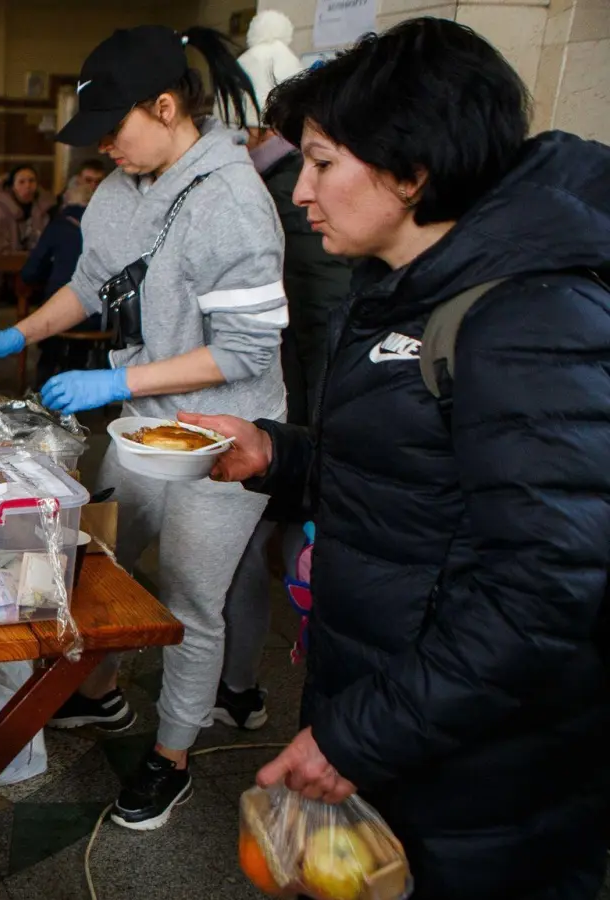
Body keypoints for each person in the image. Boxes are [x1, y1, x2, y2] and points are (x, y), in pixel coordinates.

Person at [187, 19, 610, 898]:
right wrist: (277, 454)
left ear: (412, 173)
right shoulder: (404, 289)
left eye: (323, 162)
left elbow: (546, 590)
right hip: (407, 718)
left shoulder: (528, 319)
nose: (301, 191)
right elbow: (413, 479)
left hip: (484, 780)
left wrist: (359, 735)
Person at [0, 25, 283, 831]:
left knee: (191, 600)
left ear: (166, 107)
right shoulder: (123, 187)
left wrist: (118, 377)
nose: (104, 149)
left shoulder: (234, 200)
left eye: (113, 130)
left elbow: (241, 350)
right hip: (145, 426)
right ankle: (97, 699)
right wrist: (16, 335)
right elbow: (92, 286)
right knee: (100, 566)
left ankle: (170, 758)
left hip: (225, 433)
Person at [216, 16, 354, 730]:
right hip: (289, 419)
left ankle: (243, 685)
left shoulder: (279, 200)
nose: (309, 189)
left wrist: (304, 447)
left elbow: (316, 332)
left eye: (324, 164)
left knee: (260, 555)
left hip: (296, 403)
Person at [22, 160, 106, 383]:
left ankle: (42, 383)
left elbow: (30, 272)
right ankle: (75, 377)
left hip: (60, 314)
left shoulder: (58, 225)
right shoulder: (110, 226)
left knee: (53, 316)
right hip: (101, 316)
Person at [0, 165, 55, 259]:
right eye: (21, 182)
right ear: (12, 187)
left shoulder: (44, 211)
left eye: (31, 181)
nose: (28, 186)